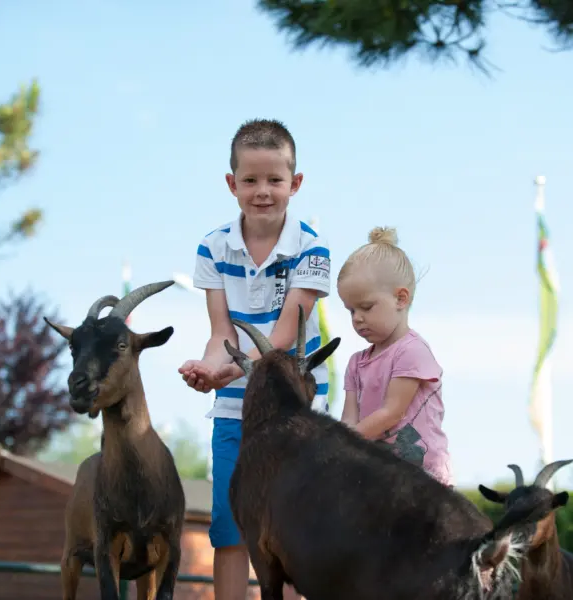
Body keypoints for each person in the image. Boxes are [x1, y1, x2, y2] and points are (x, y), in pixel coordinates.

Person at [178, 118, 331, 600]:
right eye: (250, 180)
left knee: (289, 521)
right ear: (232, 184)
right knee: (229, 523)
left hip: (294, 408)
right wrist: (208, 368)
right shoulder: (212, 246)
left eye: (274, 180)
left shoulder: (312, 247)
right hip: (234, 407)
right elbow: (220, 331)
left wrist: (225, 366)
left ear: (295, 184)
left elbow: (284, 335)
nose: (262, 191)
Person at [336, 226, 454, 487]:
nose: (357, 318)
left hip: (423, 478)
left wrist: (342, 444)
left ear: (401, 299)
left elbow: (391, 412)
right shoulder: (356, 363)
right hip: (379, 475)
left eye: (366, 307)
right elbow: (349, 418)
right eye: (350, 310)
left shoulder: (411, 351)